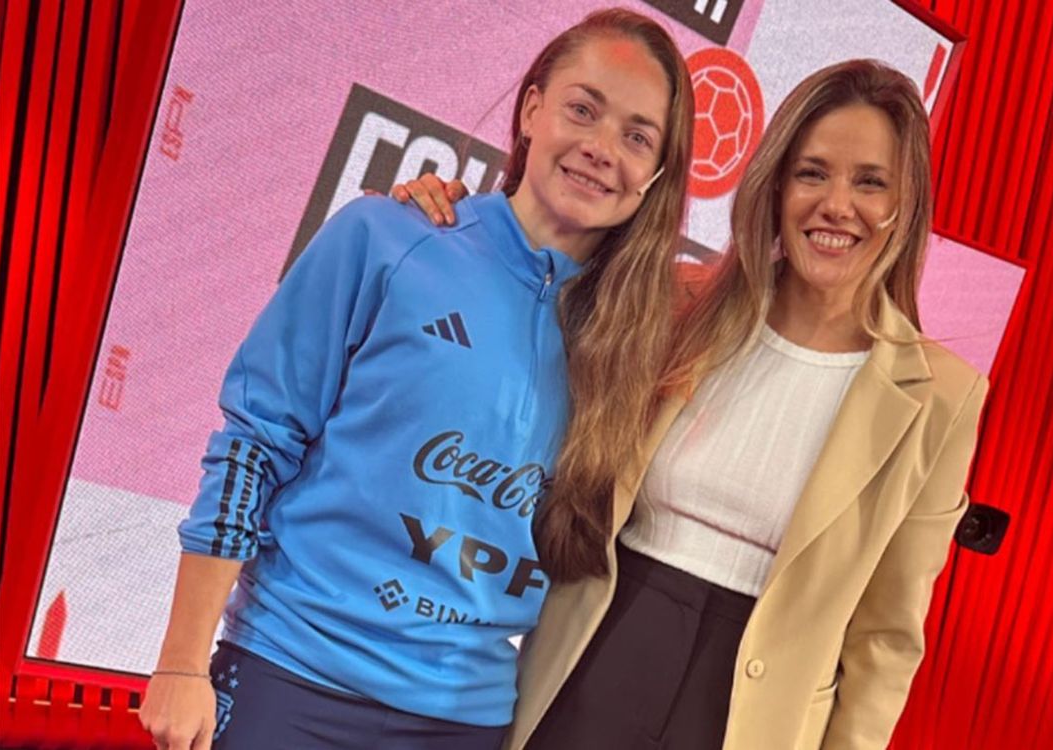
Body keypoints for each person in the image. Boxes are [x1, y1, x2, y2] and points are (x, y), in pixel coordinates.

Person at [138, 8, 694, 750]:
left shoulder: (640, 340)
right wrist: (180, 663)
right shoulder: (388, 238)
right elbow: (254, 443)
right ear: (532, 107)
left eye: (636, 136)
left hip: (463, 722)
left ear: (657, 172)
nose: (601, 149)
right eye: (582, 109)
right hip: (292, 676)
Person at [393, 59, 988, 750]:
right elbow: (522, 306)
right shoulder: (676, 303)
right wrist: (446, 226)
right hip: (594, 656)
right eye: (812, 172)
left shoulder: (941, 397)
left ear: (904, 204)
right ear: (774, 183)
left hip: (755, 718)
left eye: (871, 182)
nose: (837, 205)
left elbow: (886, 639)